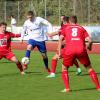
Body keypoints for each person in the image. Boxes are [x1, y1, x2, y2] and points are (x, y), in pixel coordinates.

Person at [58, 15, 100, 92]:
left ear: (69, 21)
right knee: (89, 68)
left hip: (69, 50)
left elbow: (60, 39)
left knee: (64, 67)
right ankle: (98, 87)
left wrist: (59, 52)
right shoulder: (81, 28)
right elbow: (90, 40)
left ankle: (67, 88)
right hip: (81, 50)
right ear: (76, 21)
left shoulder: (66, 28)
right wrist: (89, 47)